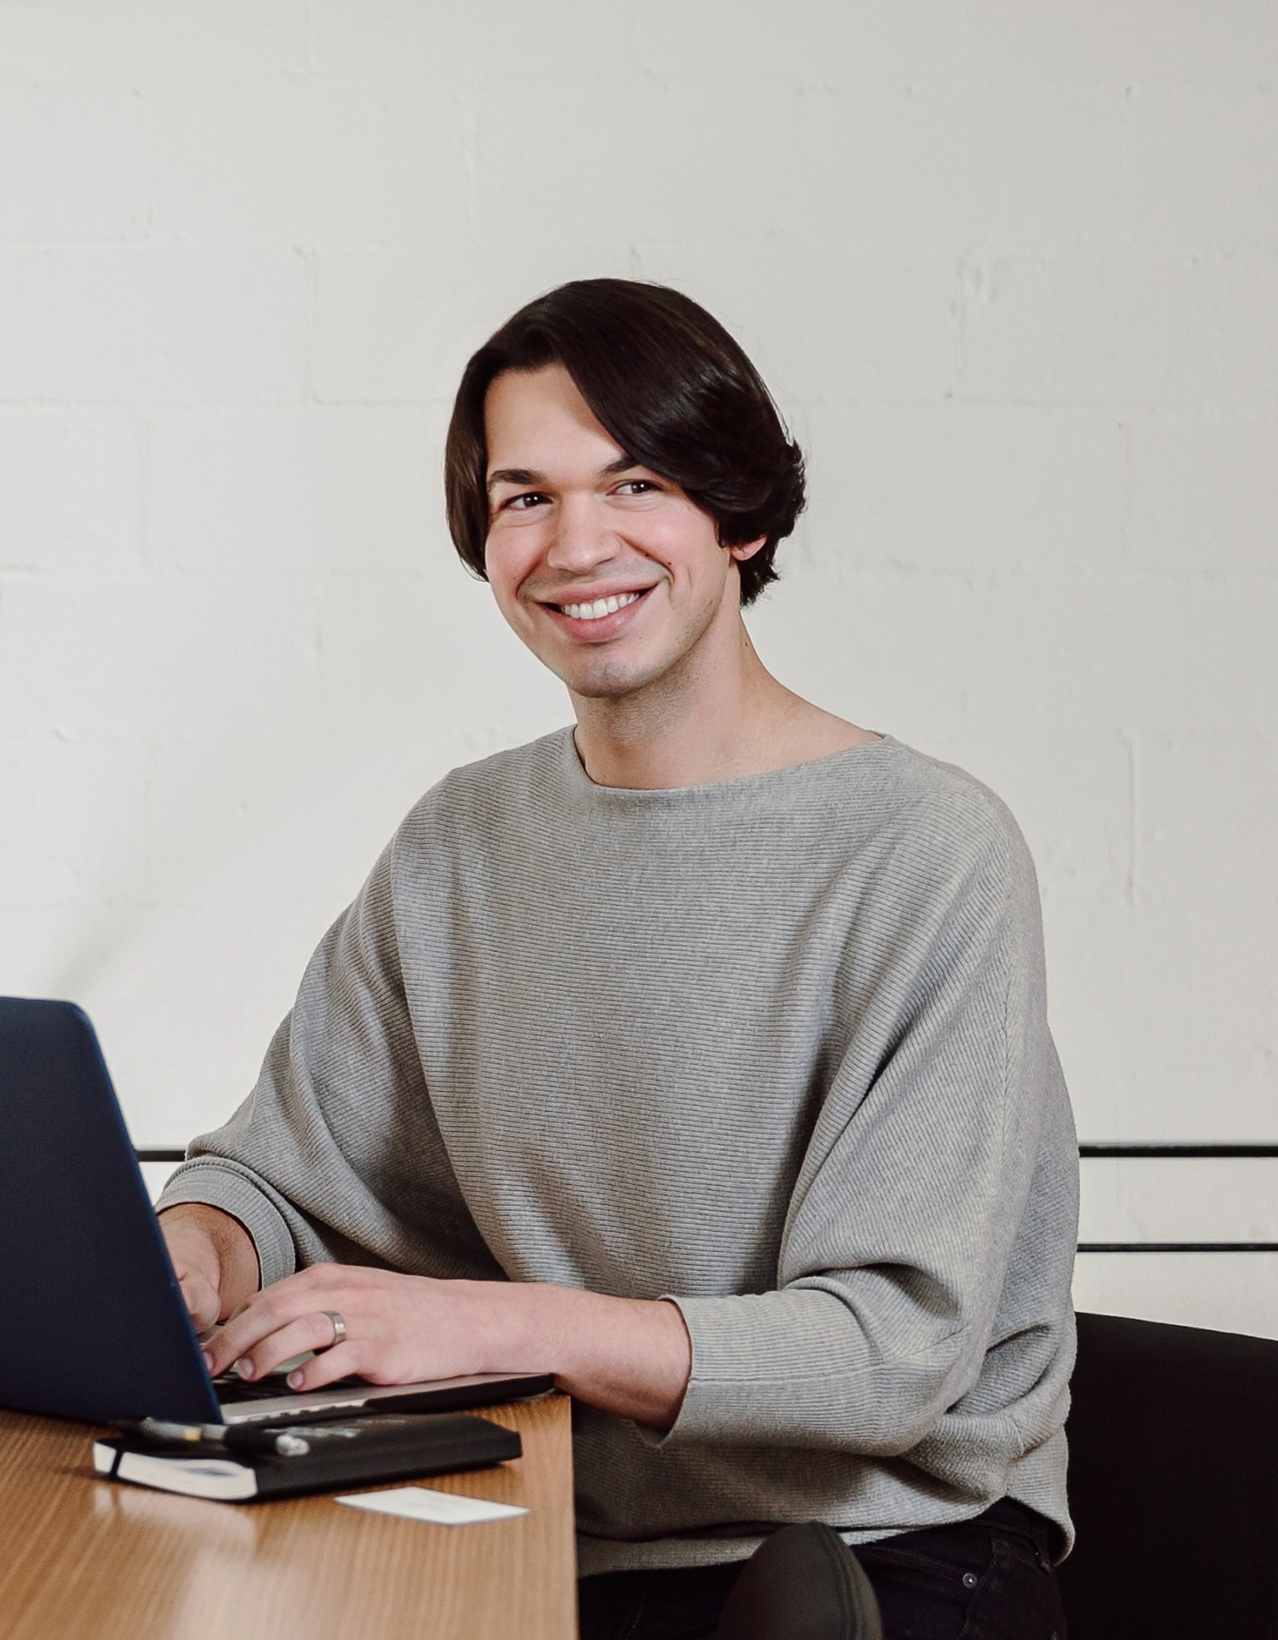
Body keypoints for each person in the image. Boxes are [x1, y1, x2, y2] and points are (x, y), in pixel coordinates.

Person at [155, 279, 1077, 1640]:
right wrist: (199, 1248)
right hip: (546, 1542)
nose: (577, 543)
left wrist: (496, 1327)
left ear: (740, 514)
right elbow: (288, 1172)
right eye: (525, 498)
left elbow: (894, 1354)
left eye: (635, 483)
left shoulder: (926, 850)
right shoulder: (461, 841)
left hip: (876, 1556)